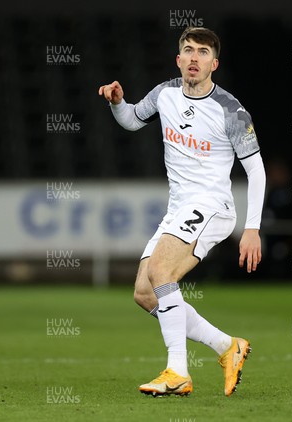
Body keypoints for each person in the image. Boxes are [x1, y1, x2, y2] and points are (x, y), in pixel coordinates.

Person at [98, 26, 266, 397]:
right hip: (178, 208)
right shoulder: (165, 93)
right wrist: (116, 102)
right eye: (188, 50)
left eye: (203, 52)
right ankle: (227, 346)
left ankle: (178, 372)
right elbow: (130, 120)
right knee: (145, 292)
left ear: (214, 63)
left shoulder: (231, 110)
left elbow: (256, 169)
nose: (194, 57)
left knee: (160, 272)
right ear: (178, 59)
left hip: (212, 205)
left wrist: (252, 229)